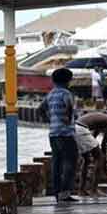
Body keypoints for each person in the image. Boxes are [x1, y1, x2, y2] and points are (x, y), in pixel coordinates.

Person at [38, 68, 78, 203]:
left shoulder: (50, 94)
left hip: (53, 133)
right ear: (68, 81)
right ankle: (65, 193)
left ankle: (57, 192)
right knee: (71, 161)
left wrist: (49, 120)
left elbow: (40, 109)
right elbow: (69, 106)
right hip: (66, 133)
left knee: (57, 162)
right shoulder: (66, 93)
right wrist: (67, 118)